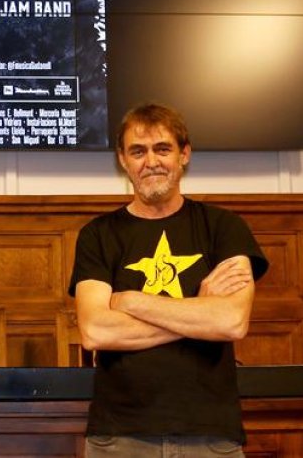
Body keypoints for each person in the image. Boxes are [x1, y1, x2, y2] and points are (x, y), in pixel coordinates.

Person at [68, 103, 268, 457]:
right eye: (138, 151)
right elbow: (96, 332)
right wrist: (200, 311)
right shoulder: (97, 235)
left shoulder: (225, 228)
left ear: (184, 154)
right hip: (120, 439)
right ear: (123, 160)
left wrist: (130, 301)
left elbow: (232, 322)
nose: (151, 161)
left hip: (211, 435)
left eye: (162, 149)